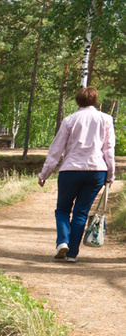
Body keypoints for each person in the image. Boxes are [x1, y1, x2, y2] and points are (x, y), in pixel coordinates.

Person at [38, 87, 115, 262]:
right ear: (95, 101)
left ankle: (63, 242)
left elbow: (56, 149)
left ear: (77, 102)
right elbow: (108, 149)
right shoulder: (106, 119)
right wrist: (110, 175)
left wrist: (45, 173)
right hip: (96, 171)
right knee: (81, 212)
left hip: (70, 170)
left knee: (63, 209)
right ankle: (72, 254)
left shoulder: (69, 120)